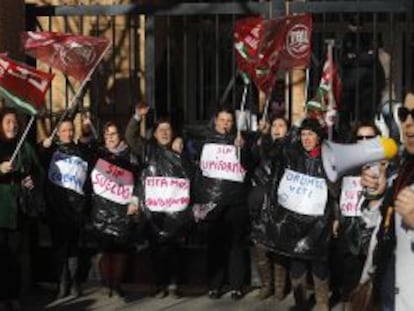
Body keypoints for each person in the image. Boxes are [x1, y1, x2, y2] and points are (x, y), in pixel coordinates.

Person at [270, 118, 339, 311]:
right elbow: (273, 161)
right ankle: (300, 303)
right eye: (303, 134)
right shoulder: (292, 155)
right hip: (296, 220)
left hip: (320, 221)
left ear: (319, 136)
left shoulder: (328, 157)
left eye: (310, 134)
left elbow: (335, 193)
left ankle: (323, 303)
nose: (306, 138)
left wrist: (336, 218)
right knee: (297, 262)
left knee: (319, 263)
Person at [125, 105, 194, 298]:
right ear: (154, 134)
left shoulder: (181, 151)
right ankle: (159, 284)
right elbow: (131, 137)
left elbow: (191, 174)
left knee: (174, 248)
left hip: (176, 210)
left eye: (168, 130)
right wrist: (137, 116)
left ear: (173, 133)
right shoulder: (147, 149)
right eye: (160, 130)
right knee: (156, 248)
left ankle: (173, 284)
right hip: (154, 210)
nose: (164, 133)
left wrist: (182, 142)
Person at [192, 106, 252, 300]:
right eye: (222, 120)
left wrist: (244, 149)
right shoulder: (204, 141)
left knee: (236, 245)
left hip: (236, 203)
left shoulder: (241, 140)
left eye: (229, 121)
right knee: (215, 245)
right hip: (212, 203)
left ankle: (236, 286)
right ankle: (215, 285)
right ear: (215, 121)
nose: (225, 124)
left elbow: (249, 165)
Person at [361, 90, 414, 311]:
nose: (408, 123)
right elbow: (380, 227)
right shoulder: (404, 168)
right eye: (404, 114)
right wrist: (377, 196)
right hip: (388, 289)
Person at [41, 118, 92, 299]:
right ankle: (62, 283)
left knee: (73, 247)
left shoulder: (81, 151)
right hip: (56, 208)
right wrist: (45, 147)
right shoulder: (51, 151)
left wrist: (86, 132)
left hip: (76, 209)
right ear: (58, 133)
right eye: (64, 130)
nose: (68, 133)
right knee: (59, 248)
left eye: (71, 130)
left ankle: (75, 282)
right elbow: (38, 161)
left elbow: (88, 171)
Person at [0, 107, 44, 311]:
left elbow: (39, 171)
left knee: (16, 256)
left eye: (15, 122)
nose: (12, 125)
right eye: (8, 121)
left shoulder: (24, 146)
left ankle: (14, 295)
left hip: (18, 209)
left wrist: (31, 179)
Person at [335, 121, 382, 310]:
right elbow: (338, 191)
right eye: (360, 137)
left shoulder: (385, 162)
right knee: (349, 271)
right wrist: (337, 218)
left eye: (368, 137)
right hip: (350, 224)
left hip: (372, 227)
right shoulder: (348, 162)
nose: (363, 141)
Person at [90, 121, 139, 298]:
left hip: (121, 209)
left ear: (120, 136)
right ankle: (106, 283)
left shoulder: (130, 156)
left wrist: (135, 201)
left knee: (120, 250)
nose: (111, 137)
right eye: (107, 134)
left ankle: (117, 284)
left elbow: (138, 179)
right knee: (104, 249)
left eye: (114, 134)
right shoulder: (98, 154)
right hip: (101, 209)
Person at [249, 116, 290, 300]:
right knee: (261, 247)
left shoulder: (291, 149)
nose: (277, 128)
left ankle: (280, 288)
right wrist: (259, 136)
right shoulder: (261, 146)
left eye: (281, 125)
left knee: (278, 248)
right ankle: (267, 285)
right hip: (261, 204)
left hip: (281, 206)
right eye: (274, 125)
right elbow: (248, 160)